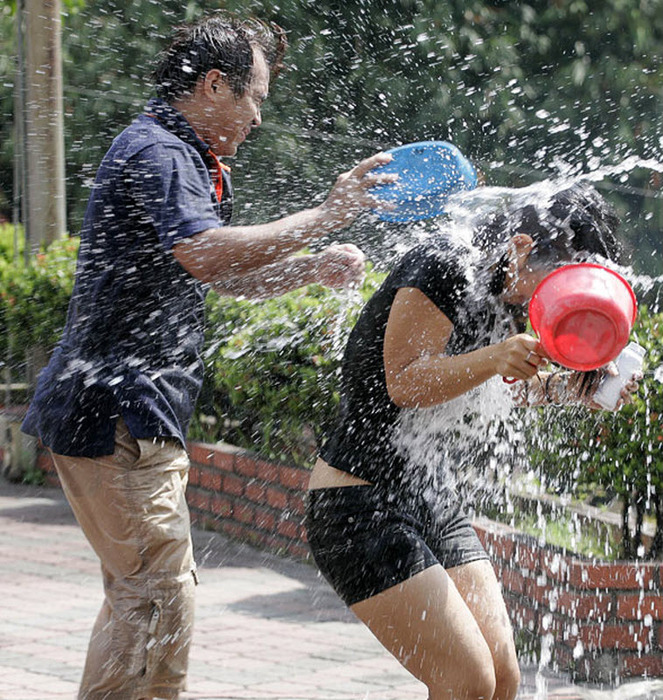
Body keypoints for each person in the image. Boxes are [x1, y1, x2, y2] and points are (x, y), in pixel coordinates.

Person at [21, 12, 396, 700]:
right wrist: (325, 215)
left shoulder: (187, 158)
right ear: (216, 85)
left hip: (130, 413)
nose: (257, 118)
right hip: (114, 414)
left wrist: (308, 268)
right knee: (159, 597)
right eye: (255, 98)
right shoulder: (160, 152)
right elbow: (205, 251)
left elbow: (220, 274)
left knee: (142, 596)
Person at [305, 183, 641, 700]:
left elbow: (484, 393)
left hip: (432, 497)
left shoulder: (512, 304)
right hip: (358, 501)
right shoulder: (441, 266)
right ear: (523, 246)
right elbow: (406, 381)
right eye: (566, 277)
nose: (569, 298)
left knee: (503, 678)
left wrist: (571, 392)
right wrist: (497, 356)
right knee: (465, 682)